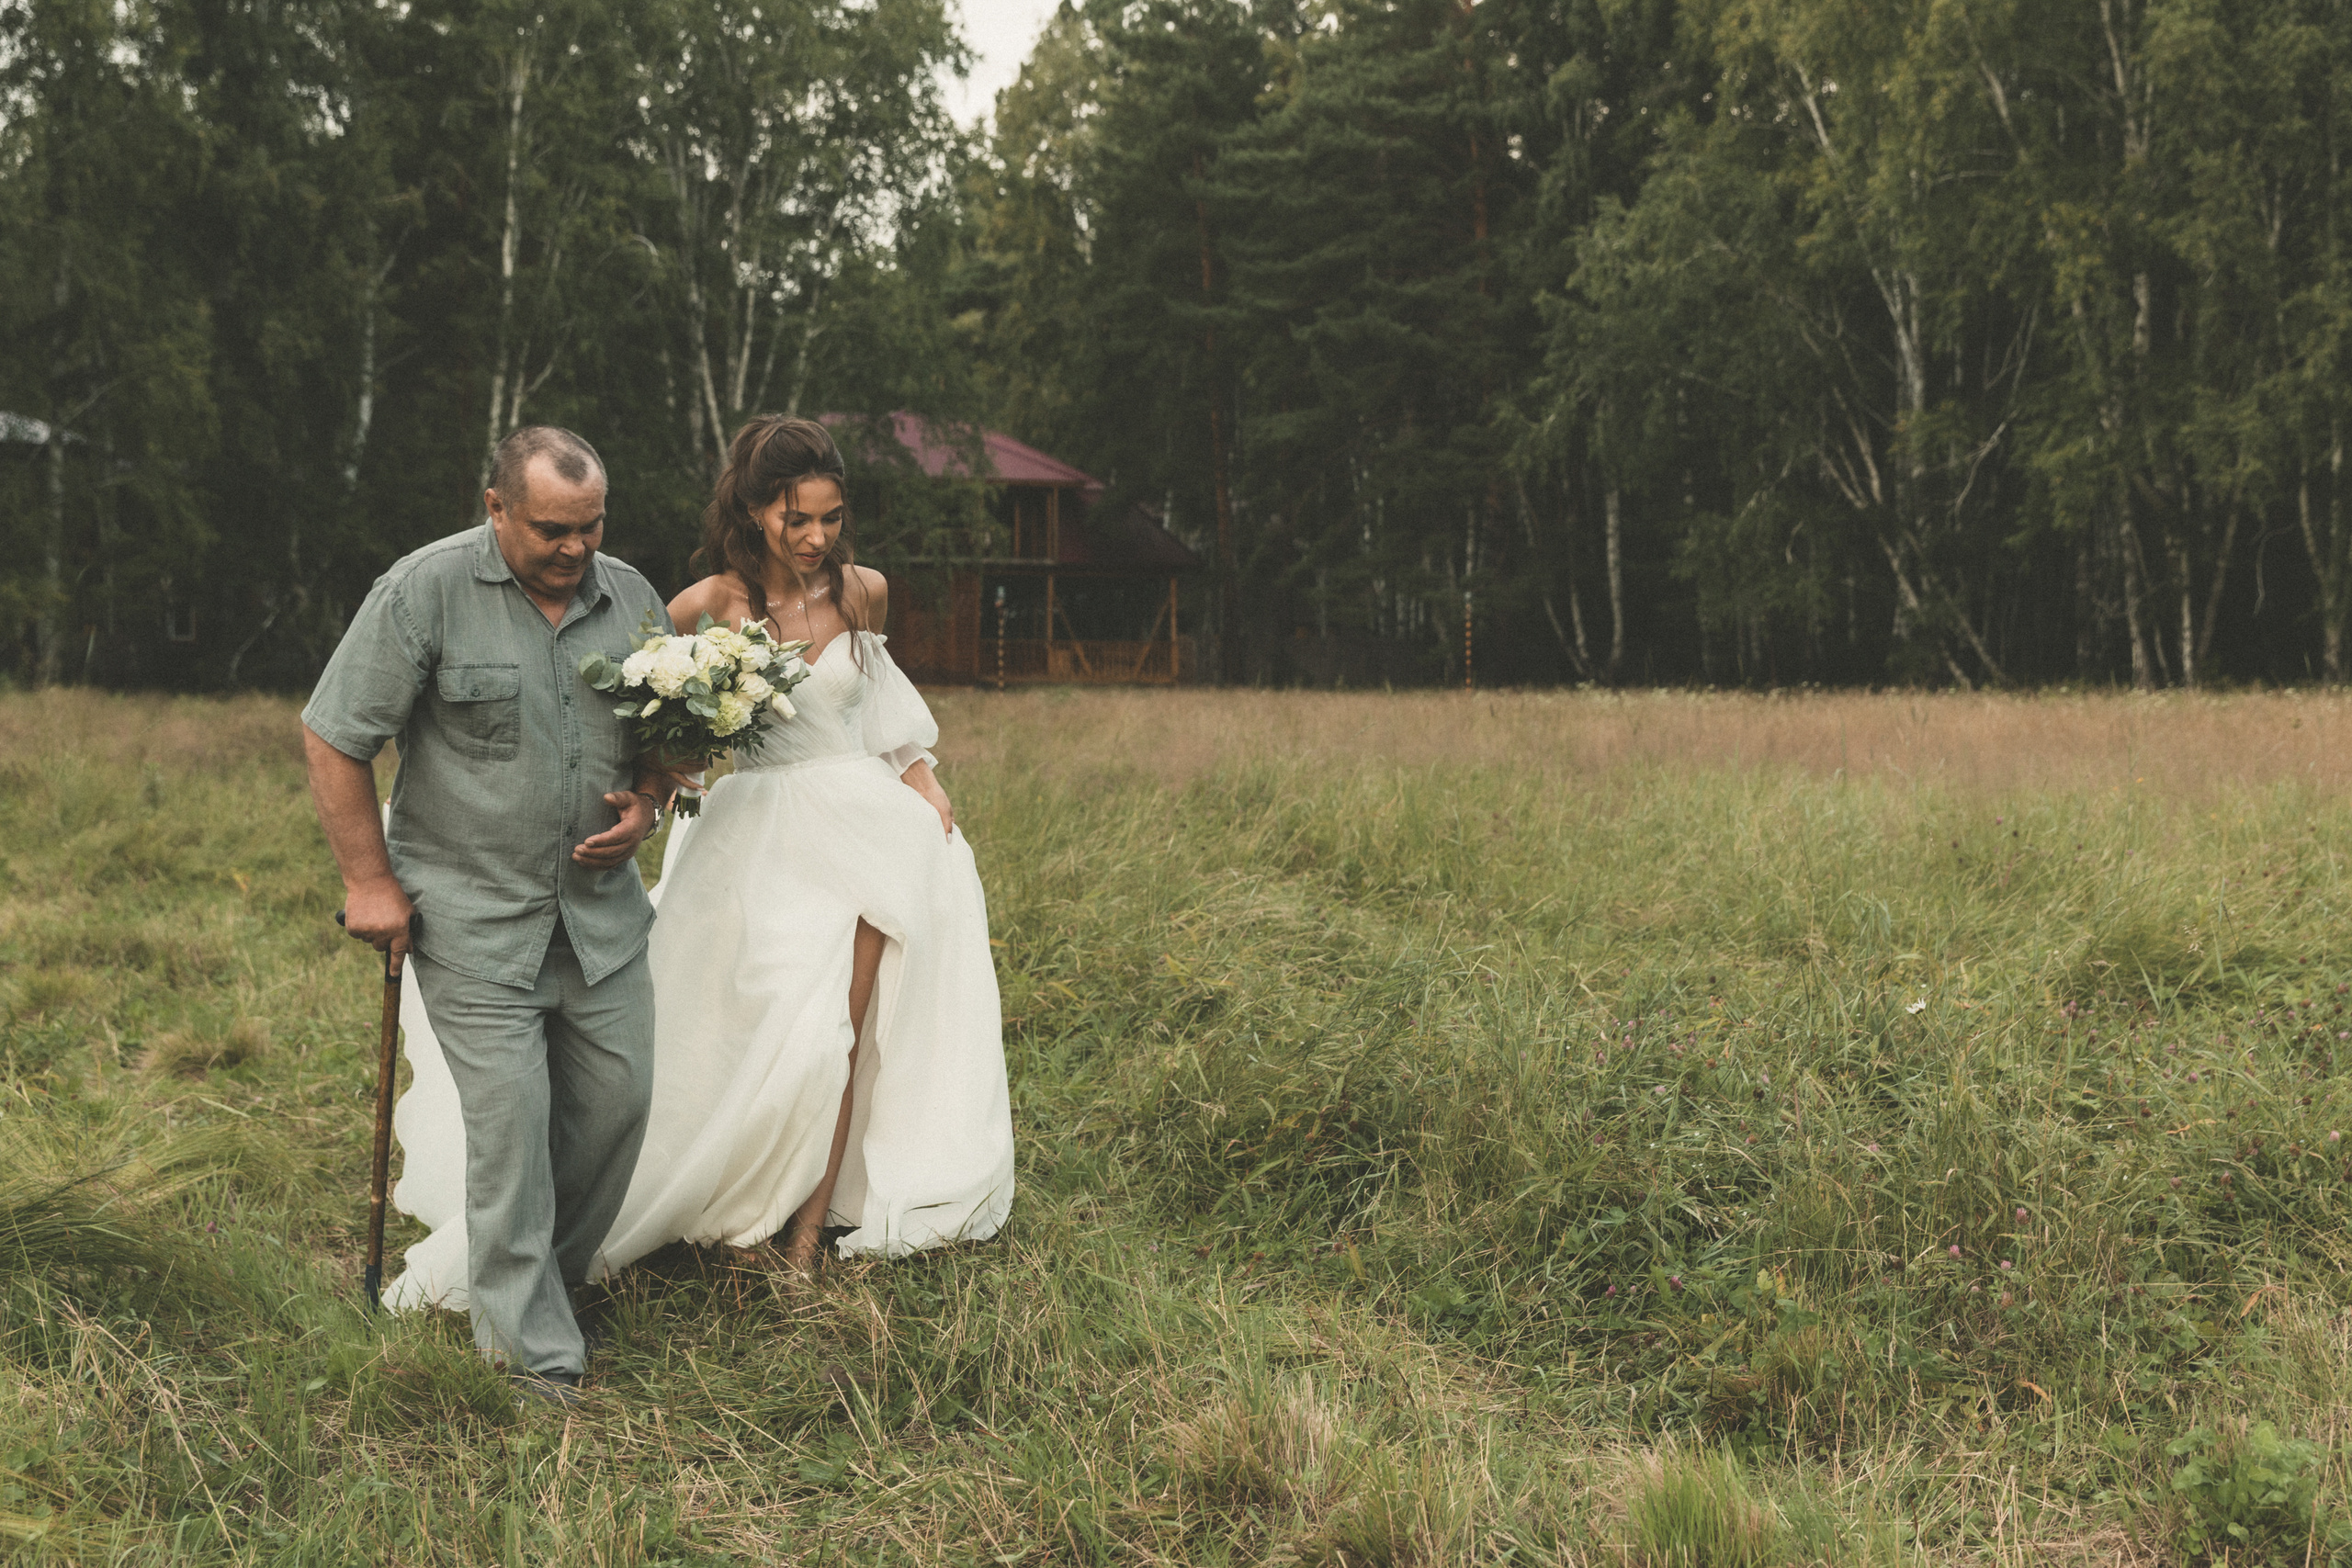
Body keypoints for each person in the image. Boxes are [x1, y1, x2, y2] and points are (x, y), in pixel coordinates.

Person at [383, 416, 1013, 1314]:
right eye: (797, 518)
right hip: (757, 831)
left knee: (839, 1029)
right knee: (758, 1026)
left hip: (870, 829)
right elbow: (635, 705)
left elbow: (880, 703)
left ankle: (802, 1237)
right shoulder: (708, 602)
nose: (817, 538)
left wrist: (920, 774)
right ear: (753, 510)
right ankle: (720, 1201)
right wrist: (650, 787)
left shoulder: (864, 591)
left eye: (831, 518)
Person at [302, 426, 675, 1409]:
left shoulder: (631, 596)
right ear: (495, 507)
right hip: (470, 915)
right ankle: (532, 1361)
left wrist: (647, 802)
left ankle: (544, 1281)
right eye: (554, 529)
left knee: (618, 1106)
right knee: (512, 1127)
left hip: (599, 918)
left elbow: (659, 745)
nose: (576, 548)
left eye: (592, 527)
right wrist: (370, 881)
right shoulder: (423, 591)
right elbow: (334, 736)